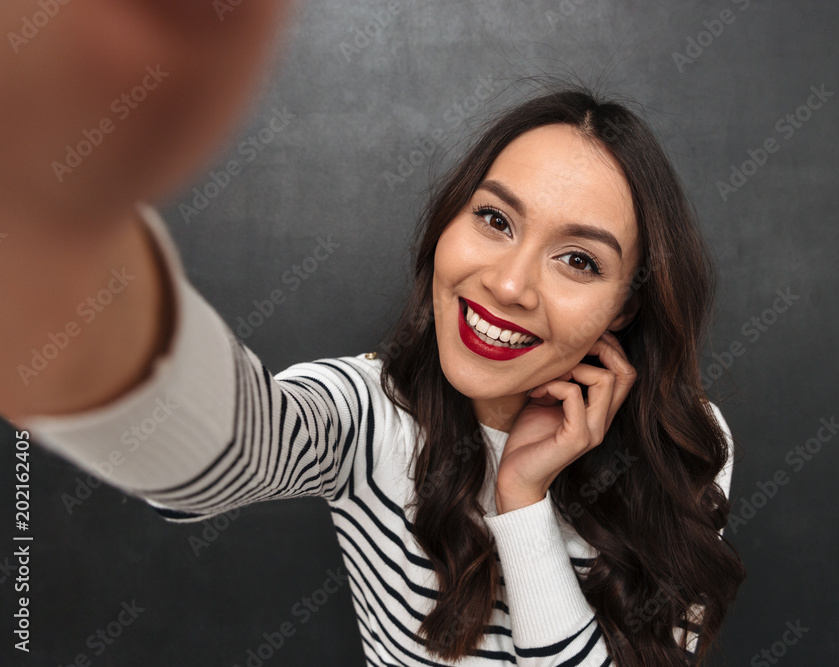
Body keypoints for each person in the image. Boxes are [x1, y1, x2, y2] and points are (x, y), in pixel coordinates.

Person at [0, 3, 744, 665]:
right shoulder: (366, 413)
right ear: (447, 223)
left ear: (624, 307)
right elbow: (222, 449)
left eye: (578, 260)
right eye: (494, 219)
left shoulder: (690, 444)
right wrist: (54, 232)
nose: (511, 284)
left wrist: (523, 501)